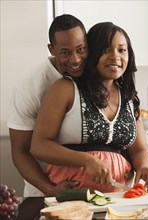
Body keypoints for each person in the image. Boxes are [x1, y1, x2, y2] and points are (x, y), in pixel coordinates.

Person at [31, 22, 148, 193]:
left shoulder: (129, 98)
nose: (115, 56)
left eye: (121, 50)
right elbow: (39, 145)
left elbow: (139, 149)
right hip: (72, 194)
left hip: (119, 198)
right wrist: (87, 160)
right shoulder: (65, 89)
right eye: (106, 50)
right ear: (91, 53)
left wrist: (145, 167)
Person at [7, 14, 88, 197]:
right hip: (44, 192)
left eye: (81, 49)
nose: (75, 60)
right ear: (52, 49)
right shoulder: (28, 89)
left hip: (90, 190)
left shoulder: (93, 73)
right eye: (65, 52)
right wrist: (50, 189)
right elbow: (20, 151)